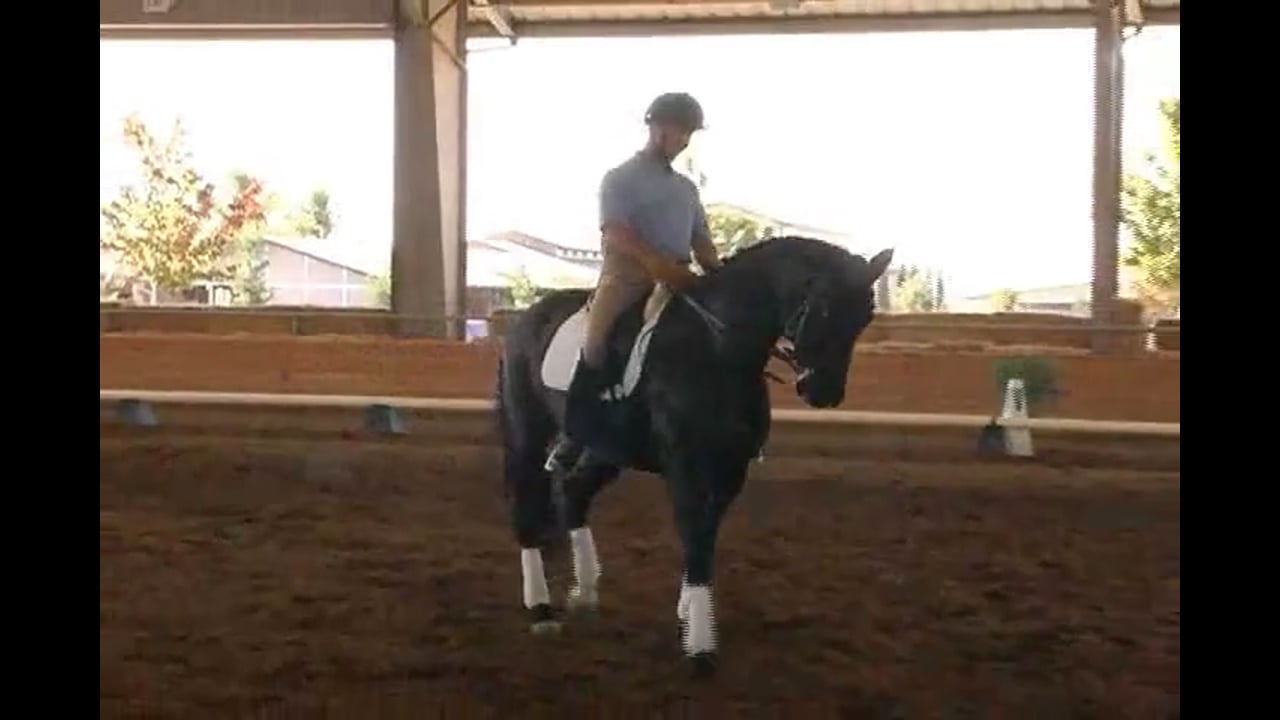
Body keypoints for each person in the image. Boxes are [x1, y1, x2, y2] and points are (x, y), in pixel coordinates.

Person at [547, 92, 723, 471]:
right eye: (681, 133)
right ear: (658, 129)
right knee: (595, 342)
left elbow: (704, 247)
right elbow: (617, 234)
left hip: (676, 278)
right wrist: (658, 266)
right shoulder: (619, 179)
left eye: (690, 135)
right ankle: (574, 435)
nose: (685, 142)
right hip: (626, 277)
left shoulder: (686, 189)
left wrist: (724, 278)